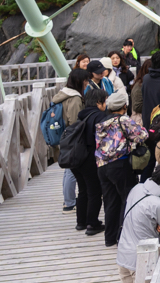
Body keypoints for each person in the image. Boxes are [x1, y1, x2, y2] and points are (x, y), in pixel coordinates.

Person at [95, 90, 149, 247]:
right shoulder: (123, 119)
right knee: (128, 198)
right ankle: (124, 236)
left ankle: (110, 238)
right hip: (119, 163)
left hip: (102, 166)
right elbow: (142, 135)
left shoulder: (102, 121)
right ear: (124, 106)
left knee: (110, 202)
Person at [56, 69, 93, 213]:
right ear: (80, 81)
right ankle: (69, 202)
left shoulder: (63, 94)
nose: (87, 83)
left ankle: (68, 200)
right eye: (85, 80)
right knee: (72, 170)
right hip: (73, 137)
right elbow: (74, 121)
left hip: (64, 136)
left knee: (69, 170)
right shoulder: (75, 98)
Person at [75, 88, 106, 237]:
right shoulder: (100, 116)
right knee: (95, 191)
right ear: (99, 102)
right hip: (90, 158)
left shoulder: (81, 115)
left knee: (83, 190)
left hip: (77, 159)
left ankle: (81, 221)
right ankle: (92, 224)